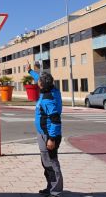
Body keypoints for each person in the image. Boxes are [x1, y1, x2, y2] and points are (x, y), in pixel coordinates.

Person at [27, 64, 63, 197]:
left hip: (49, 135)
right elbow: (40, 77)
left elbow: (55, 120)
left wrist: (52, 139)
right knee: (46, 162)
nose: (37, 82)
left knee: (52, 162)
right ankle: (51, 187)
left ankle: (56, 191)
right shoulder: (51, 89)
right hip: (43, 134)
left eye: (39, 81)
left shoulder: (48, 99)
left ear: (42, 84)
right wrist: (30, 71)